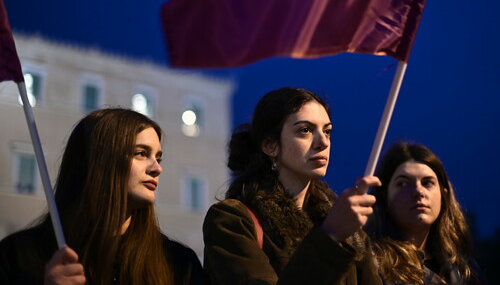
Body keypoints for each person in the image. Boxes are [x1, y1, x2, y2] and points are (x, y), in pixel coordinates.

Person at [0, 108, 207, 285]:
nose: (157, 168)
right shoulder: (19, 256)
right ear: (100, 162)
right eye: (141, 153)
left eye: (158, 157)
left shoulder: (179, 263)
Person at [202, 87, 383, 284]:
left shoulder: (348, 230)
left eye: (327, 131)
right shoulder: (233, 220)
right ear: (270, 145)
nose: (323, 142)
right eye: (305, 130)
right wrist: (329, 237)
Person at [365, 142, 482, 285]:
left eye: (427, 183)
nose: (418, 192)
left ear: (443, 195)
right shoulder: (370, 264)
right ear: (384, 197)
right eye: (403, 183)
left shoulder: (463, 270)